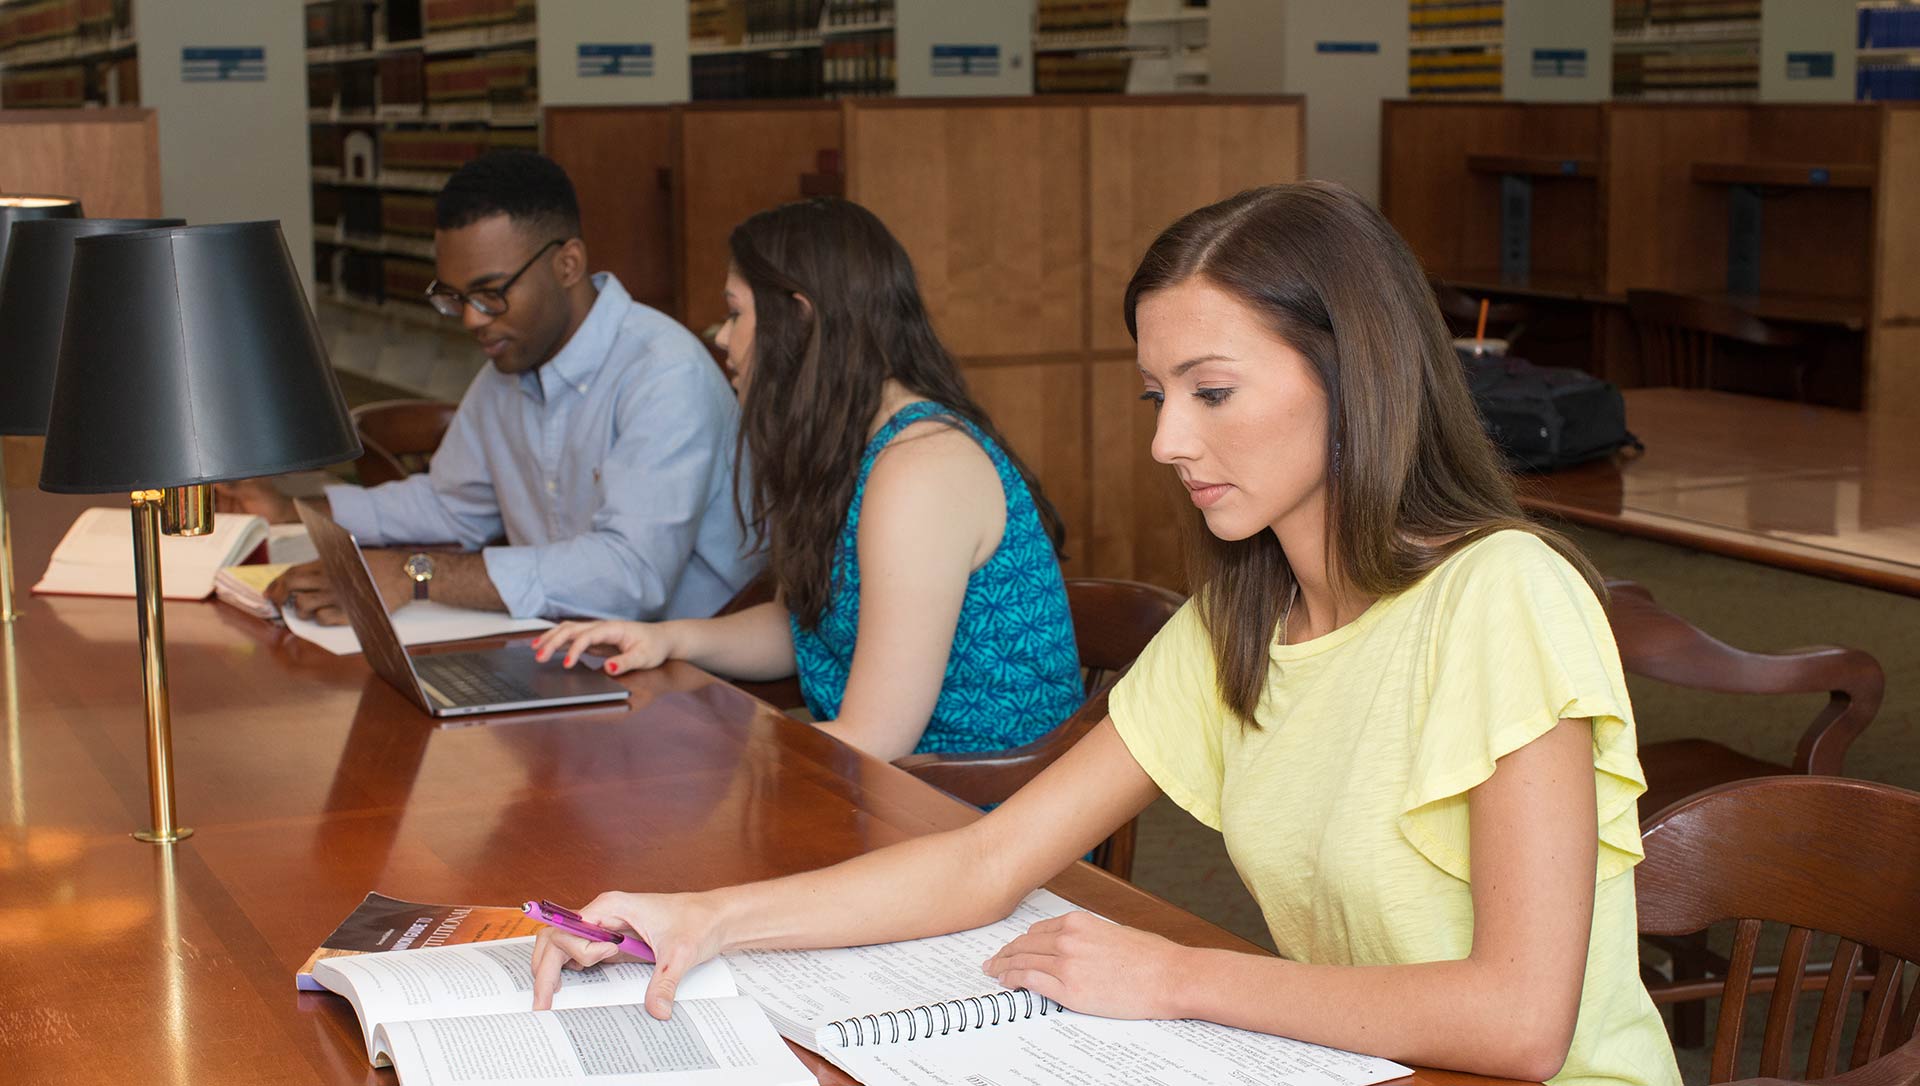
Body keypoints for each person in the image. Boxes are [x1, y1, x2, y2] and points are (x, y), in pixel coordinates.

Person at [526, 183, 1683, 1086]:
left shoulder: (1503, 598)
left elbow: (1524, 1023)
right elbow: (988, 860)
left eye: (1211, 392)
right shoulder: (1245, 617)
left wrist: (1181, 977)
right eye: (1156, 397)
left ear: (1353, 375)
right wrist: (701, 920)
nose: (1168, 441)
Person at [530, 198, 1083, 762]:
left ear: (798, 317)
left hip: (976, 812)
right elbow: (803, 628)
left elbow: (876, 737)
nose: (721, 337)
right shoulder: (855, 442)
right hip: (905, 789)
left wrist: (701, 757)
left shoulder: (922, 467)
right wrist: (669, 637)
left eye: (735, 312)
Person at [222, 150, 758, 623]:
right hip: (567, 642)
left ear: (568, 264)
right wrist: (293, 509)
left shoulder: (662, 374)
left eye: (490, 293)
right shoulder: (510, 366)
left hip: (692, 676)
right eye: (454, 297)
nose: (472, 321)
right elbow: (451, 506)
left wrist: (415, 575)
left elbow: (630, 577)